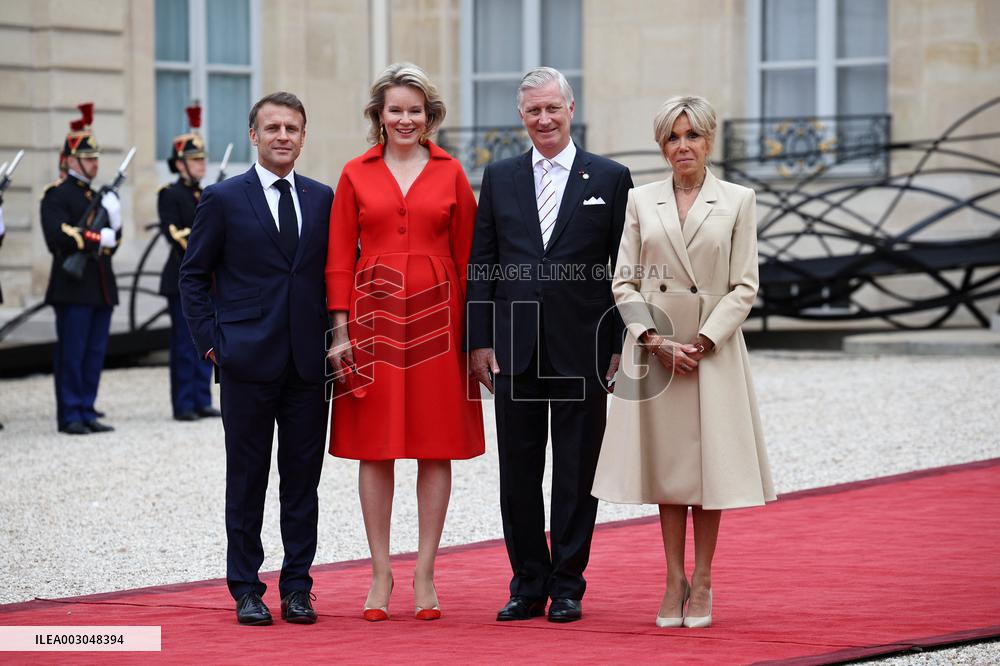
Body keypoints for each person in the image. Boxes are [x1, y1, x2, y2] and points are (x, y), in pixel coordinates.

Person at [591, 95, 776, 629]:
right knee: (669, 469)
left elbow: (745, 285)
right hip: (656, 349)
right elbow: (623, 278)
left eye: (692, 135)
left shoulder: (740, 199)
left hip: (711, 350)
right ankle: (672, 579)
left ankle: (705, 580)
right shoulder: (640, 200)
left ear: (709, 139)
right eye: (672, 137)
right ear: (661, 145)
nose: (682, 146)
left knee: (708, 468)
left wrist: (706, 341)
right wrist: (652, 338)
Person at [466, 67, 633, 623]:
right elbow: (483, 263)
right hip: (514, 347)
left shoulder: (609, 178)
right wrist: (480, 339)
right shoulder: (501, 177)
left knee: (576, 471)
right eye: (533, 110)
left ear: (570, 108)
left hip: (582, 348)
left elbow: (621, 268)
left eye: (552, 109)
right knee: (517, 472)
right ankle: (526, 583)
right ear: (521, 116)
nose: (543, 119)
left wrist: (616, 343)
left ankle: (567, 585)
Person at [325, 62, 485, 622]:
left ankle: (424, 570)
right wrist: (340, 333)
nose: (405, 118)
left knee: (434, 442)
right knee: (376, 444)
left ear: (430, 115)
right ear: (379, 115)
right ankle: (379, 571)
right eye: (395, 109)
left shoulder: (451, 172)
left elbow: (472, 260)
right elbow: (340, 259)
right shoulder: (353, 173)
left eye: (415, 110)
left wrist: (475, 338)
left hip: (441, 324)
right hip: (372, 321)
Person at [179, 92, 334, 626]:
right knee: (246, 479)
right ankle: (246, 587)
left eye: (292, 127)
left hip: (307, 366)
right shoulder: (222, 199)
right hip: (245, 361)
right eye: (273, 127)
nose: (283, 136)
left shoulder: (323, 199)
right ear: (254, 135)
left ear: (304, 135)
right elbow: (193, 276)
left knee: (302, 483)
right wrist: (211, 343)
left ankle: (297, 587)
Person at [39, 103, 122, 435]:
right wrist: (93, 236)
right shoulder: (56, 195)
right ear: (71, 160)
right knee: (72, 354)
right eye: (88, 158)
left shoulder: (97, 194)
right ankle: (70, 413)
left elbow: (112, 242)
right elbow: (56, 235)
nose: (94, 163)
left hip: (100, 285)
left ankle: (86, 408)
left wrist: (114, 221)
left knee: (94, 353)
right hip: (73, 285)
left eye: (96, 158)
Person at [158, 103, 220, 422]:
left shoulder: (205, 194)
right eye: (195, 159)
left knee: (205, 340)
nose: (201, 164)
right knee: (184, 343)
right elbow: (176, 234)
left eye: (202, 159)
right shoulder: (170, 195)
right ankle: (183, 403)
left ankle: (200, 397)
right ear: (180, 164)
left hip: (206, 280)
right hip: (181, 278)